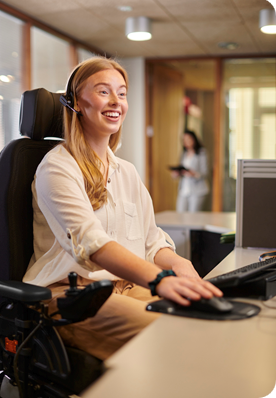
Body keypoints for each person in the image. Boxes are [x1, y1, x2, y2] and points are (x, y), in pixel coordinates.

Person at [23, 57, 221, 360]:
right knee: (171, 339)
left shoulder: (126, 171)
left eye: (122, 93)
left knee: (204, 324)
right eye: (104, 92)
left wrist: (180, 266)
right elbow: (94, 244)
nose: (116, 101)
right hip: (70, 297)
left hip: (126, 287)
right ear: (76, 101)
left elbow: (151, 241)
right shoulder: (58, 167)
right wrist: (159, 280)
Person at [172, 130, 209, 212]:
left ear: (194, 139)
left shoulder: (201, 153)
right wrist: (178, 173)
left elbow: (205, 172)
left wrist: (194, 174)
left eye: (188, 139)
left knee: (193, 217)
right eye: (184, 140)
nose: (186, 142)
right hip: (184, 189)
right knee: (180, 214)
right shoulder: (184, 153)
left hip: (197, 190)